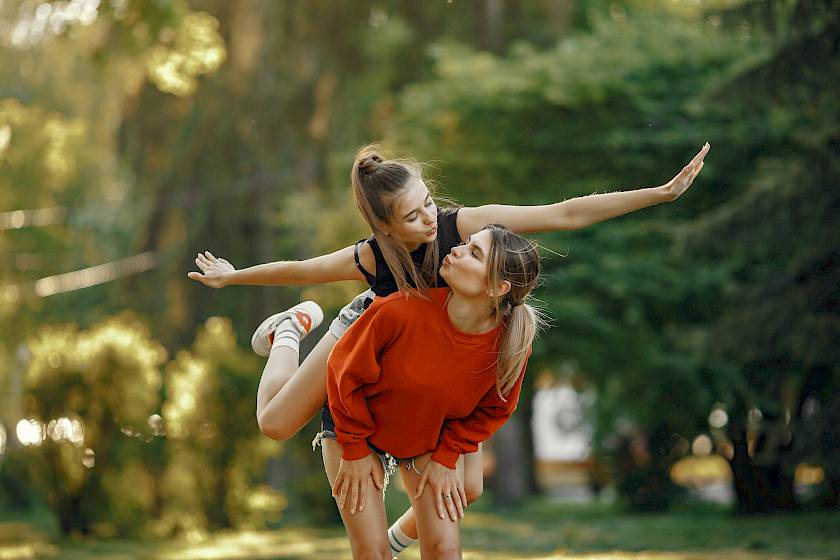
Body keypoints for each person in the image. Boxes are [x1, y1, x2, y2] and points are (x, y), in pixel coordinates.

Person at [188, 142, 709, 555]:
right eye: (412, 217)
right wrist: (235, 279)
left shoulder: (463, 228)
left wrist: (657, 195)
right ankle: (287, 331)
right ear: (384, 227)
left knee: (470, 487)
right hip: (366, 335)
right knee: (276, 423)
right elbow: (301, 269)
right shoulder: (372, 258)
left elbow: (565, 214)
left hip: (440, 354)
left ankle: (394, 541)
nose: (430, 220)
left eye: (429, 203)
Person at [264, 224, 542, 559]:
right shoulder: (399, 310)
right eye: (466, 242)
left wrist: (447, 454)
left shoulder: (510, 344)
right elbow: (342, 373)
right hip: (355, 418)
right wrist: (352, 448)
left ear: (498, 287)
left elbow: (495, 408)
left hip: (423, 432)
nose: (456, 248)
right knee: (372, 552)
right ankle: (287, 332)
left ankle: (394, 542)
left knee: (446, 550)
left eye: (474, 252)